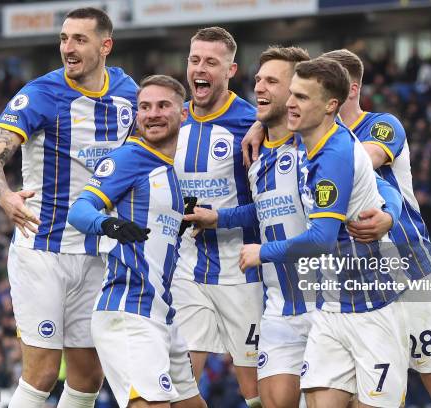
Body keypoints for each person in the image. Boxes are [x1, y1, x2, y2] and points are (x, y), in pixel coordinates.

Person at [185, 46, 403, 408]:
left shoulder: (317, 144)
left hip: (337, 300)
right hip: (282, 303)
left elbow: (375, 185)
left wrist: (390, 215)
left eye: (274, 82)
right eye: (258, 80)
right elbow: (265, 211)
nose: (261, 88)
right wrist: (219, 218)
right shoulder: (255, 154)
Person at [321, 48, 431, 408]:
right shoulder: (311, 144)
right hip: (361, 283)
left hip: (413, 274)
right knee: (367, 398)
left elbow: (363, 161)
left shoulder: (382, 125)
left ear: (351, 89)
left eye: (322, 85)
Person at [0, 8, 138, 408]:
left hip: (97, 252)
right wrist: (5, 196)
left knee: (87, 376)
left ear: (105, 46)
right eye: (64, 38)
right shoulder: (41, 93)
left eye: (79, 39)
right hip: (42, 250)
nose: (68, 47)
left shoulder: (128, 92)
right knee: (43, 372)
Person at [66, 75, 206, 408]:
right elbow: (79, 209)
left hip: (161, 313)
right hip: (129, 311)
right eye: (144, 107)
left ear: (183, 113)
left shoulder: (166, 169)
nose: (152, 114)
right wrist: (108, 225)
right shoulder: (129, 158)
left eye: (162, 106)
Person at [172, 26, 263, 407]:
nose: (200, 68)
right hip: (187, 269)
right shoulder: (171, 121)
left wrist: (219, 219)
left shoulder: (252, 123)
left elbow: (274, 205)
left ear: (230, 70)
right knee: (178, 382)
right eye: (195, 60)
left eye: (212, 62)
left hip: (242, 272)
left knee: (256, 392)